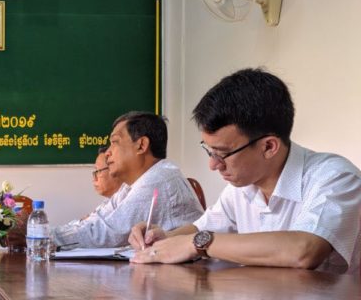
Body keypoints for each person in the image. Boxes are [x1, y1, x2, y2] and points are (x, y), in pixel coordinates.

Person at [129, 68, 361, 274]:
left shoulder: (335, 178)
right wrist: (162, 239)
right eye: (209, 151)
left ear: (268, 147)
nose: (213, 165)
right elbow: (201, 229)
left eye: (222, 153)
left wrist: (196, 243)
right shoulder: (242, 187)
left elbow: (304, 250)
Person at [51, 112, 203, 249]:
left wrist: (43, 237)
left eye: (114, 142)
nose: (107, 152)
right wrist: (45, 233)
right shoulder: (131, 186)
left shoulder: (158, 180)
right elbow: (96, 220)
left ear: (141, 145)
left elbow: (106, 234)